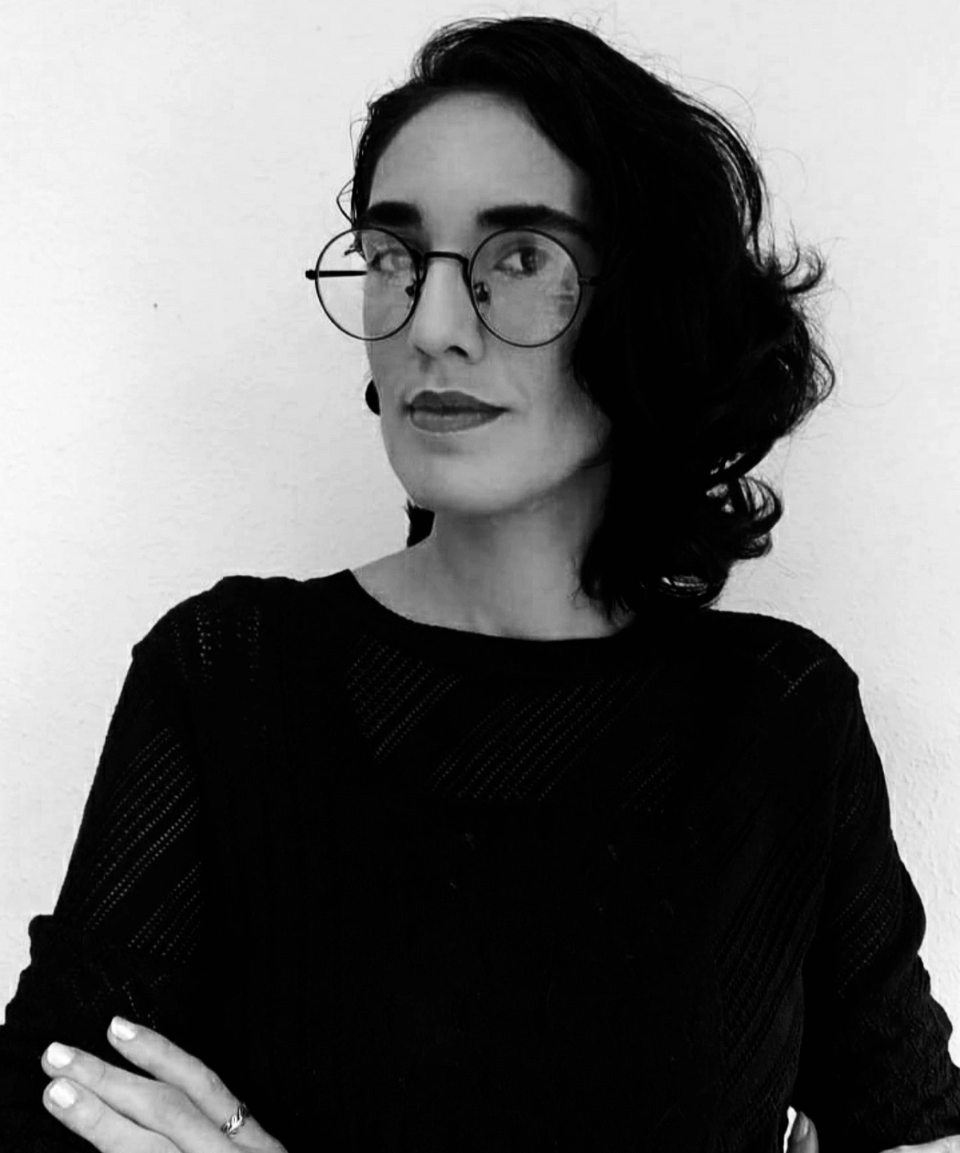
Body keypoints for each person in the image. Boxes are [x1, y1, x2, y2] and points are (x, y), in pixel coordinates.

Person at [2, 14, 959, 1152]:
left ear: (649, 303)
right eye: (394, 256)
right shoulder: (230, 678)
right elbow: (48, 1113)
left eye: (522, 257)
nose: (434, 325)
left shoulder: (780, 717)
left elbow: (911, 1124)